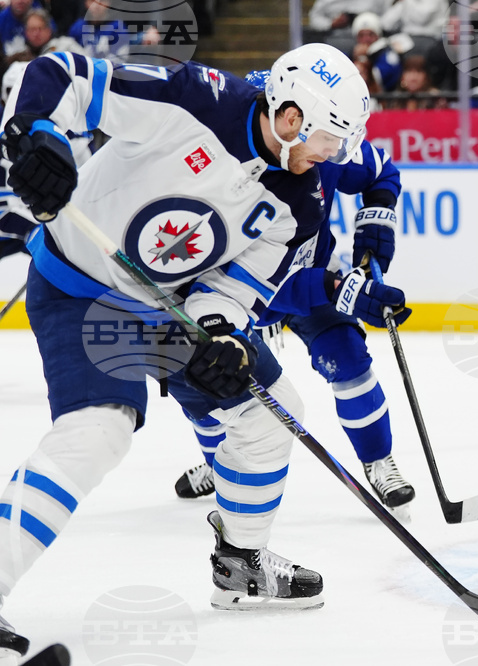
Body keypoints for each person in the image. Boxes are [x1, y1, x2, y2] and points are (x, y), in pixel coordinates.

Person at [0, 43, 410, 659]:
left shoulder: (300, 205)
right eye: (329, 139)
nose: (333, 155)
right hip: (82, 287)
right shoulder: (194, 97)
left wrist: (220, 335)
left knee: (272, 413)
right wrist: (38, 132)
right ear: (292, 116)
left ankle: (241, 565)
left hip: (168, 308)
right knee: (99, 430)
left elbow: (232, 289)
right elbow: (67, 74)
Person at [175, 69, 416, 520]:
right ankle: (222, 462)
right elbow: (241, 282)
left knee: (349, 359)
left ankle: (378, 460)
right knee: (209, 379)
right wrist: (343, 291)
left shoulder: (318, 145)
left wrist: (377, 217)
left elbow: (379, 170)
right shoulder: (221, 174)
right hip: (234, 293)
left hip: (312, 278)